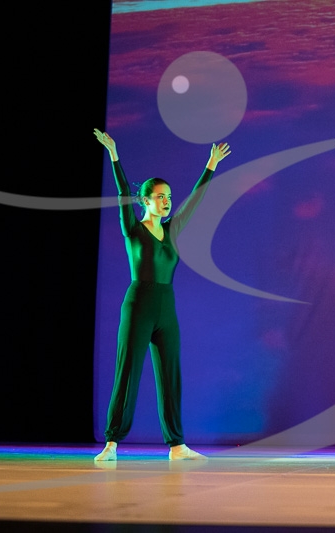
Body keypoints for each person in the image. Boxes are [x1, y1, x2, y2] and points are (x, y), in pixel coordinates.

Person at [93, 128, 231, 461]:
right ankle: (112, 443)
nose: (167, 201)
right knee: (128, 372)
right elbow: (122, 191)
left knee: (170, 375)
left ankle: (177, 445)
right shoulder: (133, 228)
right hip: (139, 304)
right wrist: (114, 155)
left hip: (166, 307)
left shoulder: (172, 229)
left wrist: (210, 165)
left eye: (168, 196)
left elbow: (195, 200)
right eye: (160, 196)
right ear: (145, 201)